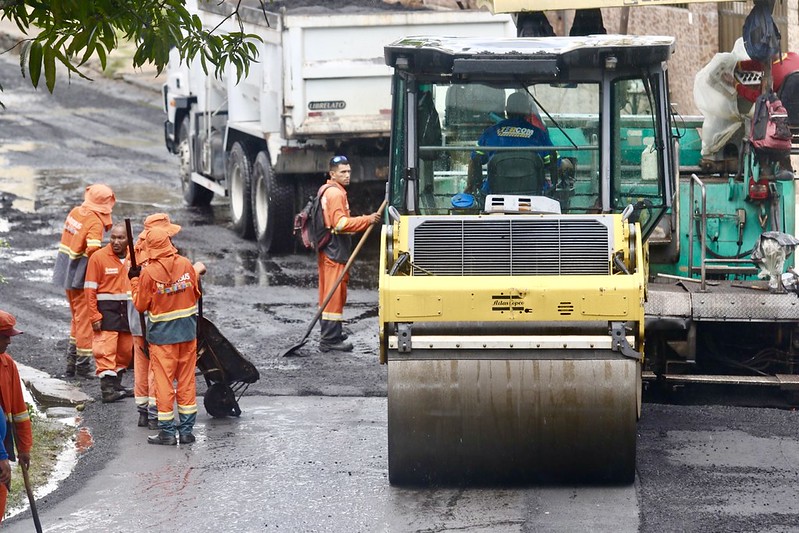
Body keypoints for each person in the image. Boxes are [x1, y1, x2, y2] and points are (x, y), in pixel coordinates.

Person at [130, 227, 202, 446]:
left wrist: (134, 281)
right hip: (188, 335)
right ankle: (187, 431)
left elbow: (140, 305)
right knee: (187, 382)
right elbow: (196, 294)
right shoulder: (186, 265)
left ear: (150, 248)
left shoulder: (148, 273)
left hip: (162, 340)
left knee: (164, 384)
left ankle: (168, 433)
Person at [317, 155, 381, 352]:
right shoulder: (336, 194)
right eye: (342, 172)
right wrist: (367, 219)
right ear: (332, 174)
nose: (347, 176)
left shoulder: (327, 190)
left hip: (329, 247)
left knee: (331, 291)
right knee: (334, 294)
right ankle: (329, 339)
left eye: (349, 172)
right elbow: (341, 224)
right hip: (334, 248)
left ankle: (333, 332)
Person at [52, 184, 116, 378]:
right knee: (86, 321)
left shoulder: (75, 211)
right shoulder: (95, 223)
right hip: (80, 275)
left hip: (66, 271)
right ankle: (82, 365)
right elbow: (94, 250)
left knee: (77, 318)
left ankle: (71, 362)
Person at [466, 92, 569, 197]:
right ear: (528, 110)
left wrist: (469, 188)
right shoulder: (538, 135)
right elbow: (557, 164)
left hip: (494, 197)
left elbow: (474, 160)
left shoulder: (491, 132)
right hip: (535, 198)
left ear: (506, 109)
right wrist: (568, 164)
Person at [85, 223, 134, 403]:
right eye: (113, 237)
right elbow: (89, 290)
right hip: (106, 312)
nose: (115, 241)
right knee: (105, 349)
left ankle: (116, 386)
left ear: (128, 240)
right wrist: (94, 316)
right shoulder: (98, 258)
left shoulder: (134, 257)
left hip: (127, 311)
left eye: (120, 238)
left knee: (124, 351)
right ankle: (107, 390)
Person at [0, 310, 33, 520]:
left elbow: (20, 411)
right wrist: (1, 457)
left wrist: (24, 447)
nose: (9, 341)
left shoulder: (7, 364)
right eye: (5, 336)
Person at [733, 52, 799, 103]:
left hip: (783, 114)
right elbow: (765, 64)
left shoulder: (771, 76)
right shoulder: (794, 56)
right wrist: (740, 65)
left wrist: (735, 84)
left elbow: (758, 98)